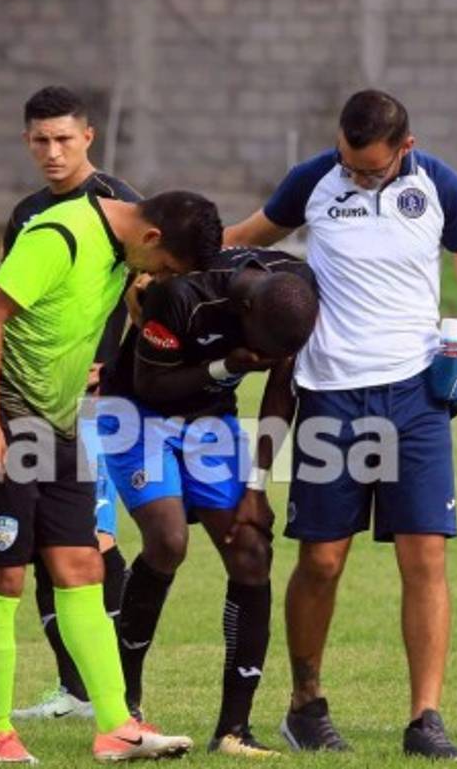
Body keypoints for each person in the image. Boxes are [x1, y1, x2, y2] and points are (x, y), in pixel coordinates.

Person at [223, 89, 457, 760]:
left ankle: (425, 718)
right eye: (348, 160)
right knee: (320, 561)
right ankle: (305, 704)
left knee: (425, 557)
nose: (356, 172)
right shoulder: (314, 180)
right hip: (330, 396)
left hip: (415, 398)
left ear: (404, 148)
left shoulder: (439, 185)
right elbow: (238, 243)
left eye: (370, 167)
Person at [0, 188, 221, 763]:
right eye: (166, 266)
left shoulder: (123, 251)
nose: (161, 278)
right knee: (5, 577)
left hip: (60, 421)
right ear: (151, 239)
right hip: (0, 416)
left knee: (82, 567)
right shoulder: (62, 235)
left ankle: (116, 726)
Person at [0, 84, 141, 722]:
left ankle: (111, 700)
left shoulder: (120, 207)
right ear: (27, 142)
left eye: (64, 139)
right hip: (26, 401)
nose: (53, 152)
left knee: (95, 540)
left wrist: (108, 363)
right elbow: (12, 310)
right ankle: (72, 691)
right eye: (41, 141)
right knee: (33, 549)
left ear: (89, 136)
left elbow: (139, 297)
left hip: (90, 401)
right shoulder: (30, 214)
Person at [97, 247, 318, 757]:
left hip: (211, 420)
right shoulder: (182, 294)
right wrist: (227, 365)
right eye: (262, 351)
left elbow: (281, 389)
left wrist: (257, 487)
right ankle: (123, 707)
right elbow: (151, 382)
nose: (267, 361)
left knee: (250, 550)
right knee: (168, 541)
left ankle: (234, 731)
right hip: (138, 411)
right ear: (245, 314)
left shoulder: (293, 294)